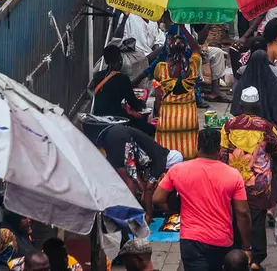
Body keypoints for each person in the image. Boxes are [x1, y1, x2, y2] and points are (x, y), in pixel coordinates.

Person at [152, 128, 254, 271]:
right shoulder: (233, 175)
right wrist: (247, 246)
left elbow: (157, 198)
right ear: (219, 149)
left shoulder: (178, 170)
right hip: (221, 239)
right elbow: (242, 212)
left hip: (190, 240)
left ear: (197, 147)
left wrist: (173, 210)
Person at [222, 86, 277, 265]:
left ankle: (237, 257)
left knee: (235, 217)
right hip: (259, 184)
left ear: (241, 104)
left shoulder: (228, 125)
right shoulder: (266, 127)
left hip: (234, 182)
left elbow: (223, 154)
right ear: (257, 105)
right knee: (257, 220)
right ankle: (255, 259)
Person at [153, 28, 201, 157]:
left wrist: (158, 114)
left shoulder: (161, 68)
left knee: (168, 155)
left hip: (168, 119)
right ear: (186, 49)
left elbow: (158, 98)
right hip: (188, 120)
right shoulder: (193, 66)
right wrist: (183, 28)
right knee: (189, 152)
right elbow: (196, 49)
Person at [90, 44, 150, 133]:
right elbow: (134, 104)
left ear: (105, 61)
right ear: (120, 59)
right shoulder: (123, 79)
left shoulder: (97, 76)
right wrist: (142, 104)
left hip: (98, 120)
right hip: (115, 120)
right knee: (149, 128)